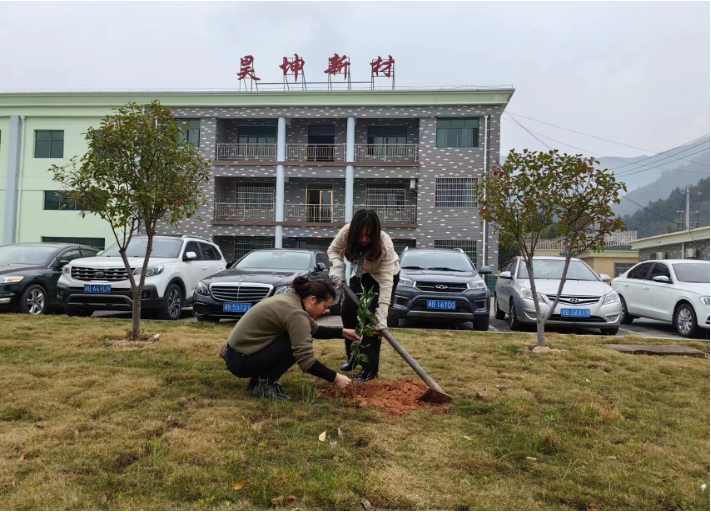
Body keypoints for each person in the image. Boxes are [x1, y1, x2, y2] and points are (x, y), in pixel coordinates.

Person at [221, 276, 357, 401]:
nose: (324, 312)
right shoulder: (296, 313)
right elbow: (306, 361)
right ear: (313, 299)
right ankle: (265, 384)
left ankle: (258, 381)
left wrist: (343, 332)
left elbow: (314, 330)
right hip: (241, 361)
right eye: (325, 307)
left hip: (238, 354)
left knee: (298, 335)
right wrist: (336, 378)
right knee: (294, 341)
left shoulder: (292, 300)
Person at [327, 209, 400, 383]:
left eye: (369, 236)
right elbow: (332, 250)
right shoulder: (346, 233)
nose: (365, 239)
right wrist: (337, 265)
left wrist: (382, 314)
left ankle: (370, 370)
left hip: (383, 278)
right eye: (361, 235)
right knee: (348, 311)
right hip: (361, 275)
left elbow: (386, 282)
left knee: (371, 322)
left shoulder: (385, 244)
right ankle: (353, 357)